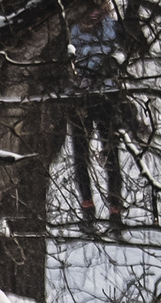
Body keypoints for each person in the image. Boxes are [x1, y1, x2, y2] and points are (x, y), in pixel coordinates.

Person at [68, 0, 129, 239]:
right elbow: (65, 57)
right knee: (80, 155)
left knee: (111, 152)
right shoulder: (71, 28)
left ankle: (115, 212)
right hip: (80, 99)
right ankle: (87, 209)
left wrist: (111, 63)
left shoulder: (112, 27)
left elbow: (124, 51)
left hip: (107, 96)